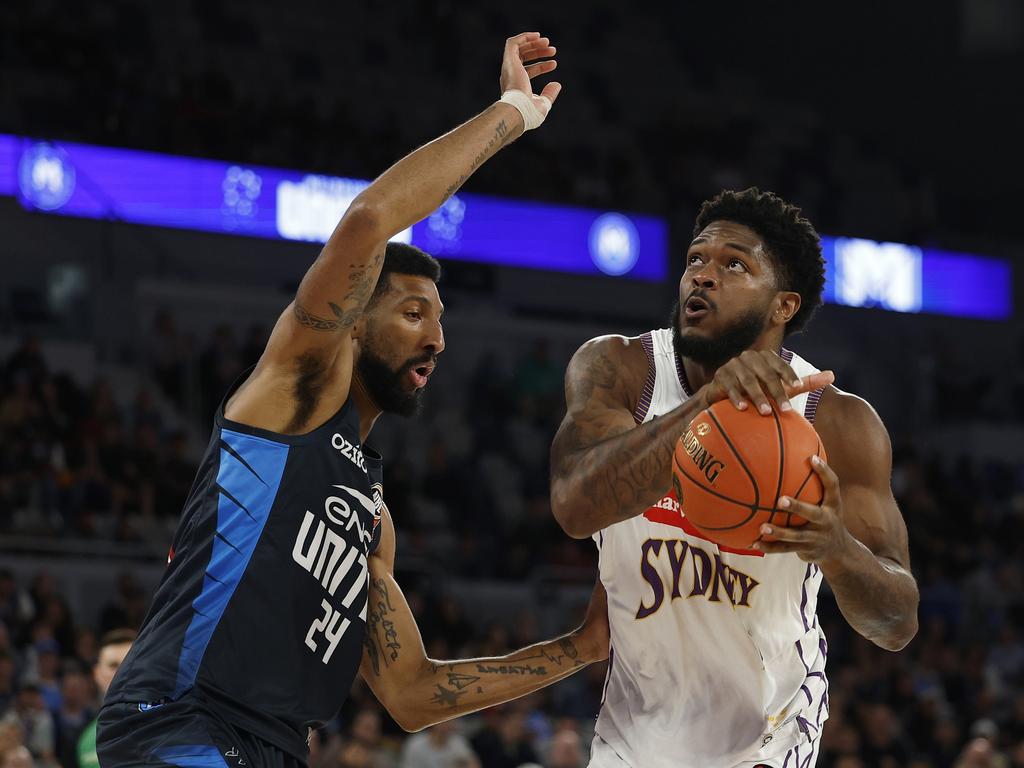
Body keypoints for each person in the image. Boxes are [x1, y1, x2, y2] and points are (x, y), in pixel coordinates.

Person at [98, 32, 609, 768]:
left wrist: (581, 648)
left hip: (274, 748)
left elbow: (411, 693)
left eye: (441, 322)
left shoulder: (372, 514)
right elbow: (370, 220)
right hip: (180, 721)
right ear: (351, 320)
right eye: (412, 315)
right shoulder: (292, 396)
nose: (435, 339)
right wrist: (513, 114)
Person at [549, 187, 920, 768]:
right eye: (695, 259)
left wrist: (836, 548)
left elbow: (897, 622)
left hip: (771, 734)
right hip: (634, 736)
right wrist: (706, 408)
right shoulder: (619, 368)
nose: (703, 276)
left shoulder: (839, 422)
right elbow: (575, 507)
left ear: (783, 307)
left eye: (734, 264)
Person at [77, 629, 136, 768]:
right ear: (97, 673)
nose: (122, 672)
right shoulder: (87, 741)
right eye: (113, 666)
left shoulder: (172, 725)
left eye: (129, 662)